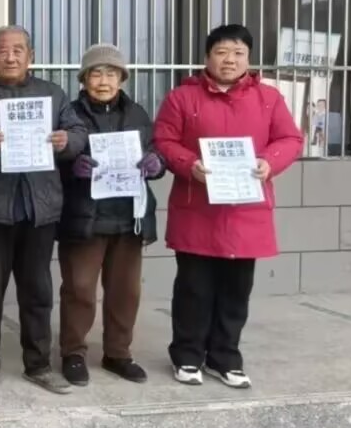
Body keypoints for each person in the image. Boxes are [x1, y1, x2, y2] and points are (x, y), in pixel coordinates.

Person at [153, 24, 303, 389]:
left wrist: (270, 162)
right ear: (207, 57)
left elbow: (290, 138)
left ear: (248, 59)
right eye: (221, 52)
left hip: (245, 211)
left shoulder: (268, 98)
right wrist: (190, 164)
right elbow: (164, 140)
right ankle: (187, 356)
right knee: (194, 288)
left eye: (238, 53)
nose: (230, 60)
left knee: (236, 291)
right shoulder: (182, 98)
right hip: (197, 209)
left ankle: (225, 358)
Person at [0, 26, 87, 399]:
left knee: (37, 290)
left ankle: (38, 364)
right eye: (3, 50)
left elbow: (78, 133)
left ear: (31, 56)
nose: (10, 57)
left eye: (18, 50)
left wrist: (66, 141)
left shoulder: (52, 95)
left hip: (39, 209)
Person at [57, 44, 165, 387]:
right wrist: (72, 167)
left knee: (125, 291)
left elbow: (155, 150)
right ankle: (73, 352)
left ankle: (118, 353)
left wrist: (157, 163)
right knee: (79, 289)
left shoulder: (137, 113)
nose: (103, 81)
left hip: (129, 216)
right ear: (83, 78)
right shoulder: (69, 114)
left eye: (111, 73)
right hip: (84, 216)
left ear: (122, 78)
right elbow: (55, 157)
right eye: (96, 73)